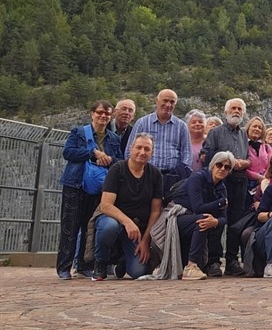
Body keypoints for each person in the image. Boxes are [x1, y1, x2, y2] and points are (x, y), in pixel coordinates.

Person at [57, 100, 123, 279]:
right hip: (75, 184)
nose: (103, 116)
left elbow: (120, 161)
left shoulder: (114, 139)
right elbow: (68, 153)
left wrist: (109, 159)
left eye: (107, 114)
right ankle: (64, 266)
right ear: (92, 113)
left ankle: (83, 264)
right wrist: (92, 153)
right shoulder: (78, 133)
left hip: (98, 188)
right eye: (100, 112)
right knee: (70, 226)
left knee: (89, 226)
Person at [92, 133, 163, 281]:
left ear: (152, 152)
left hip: (138, 230)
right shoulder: (117, 170)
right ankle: (101, 263)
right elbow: (106, 205)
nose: (142, 152)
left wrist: (145, 240)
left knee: (139, 272)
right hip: (114, 220)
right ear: (131, 148)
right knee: (108, 227)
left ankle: (123, 260)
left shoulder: (155, 174)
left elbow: (156, 210)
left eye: (147, 149)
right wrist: (127, 222)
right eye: (138, 147)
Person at [201, 98, 250, 277]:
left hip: (240, 182)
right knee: (218, 220)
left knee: (236, 224)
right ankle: (213, 261)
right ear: (226, 111)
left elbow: (247, 158)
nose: (236, 111)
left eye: (239, 109)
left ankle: (231, 260)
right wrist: (229, 160)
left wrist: (245, 163)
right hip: (221, 182)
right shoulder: (215, 132)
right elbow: (206, 155)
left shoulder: (244, 134)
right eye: (233, 108)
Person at [174, 151, 236, 280]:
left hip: (194, 219)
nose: (223, 169)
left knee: (207, 220)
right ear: (213, 165)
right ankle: (191, 267)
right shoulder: (198, 177)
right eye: (219, 165)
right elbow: (198, 207)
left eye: (227, 167)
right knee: (203, 219)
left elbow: (224, 218)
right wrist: (220, 203)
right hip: (177, 216)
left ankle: (200, 263)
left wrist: (216, 222)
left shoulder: (221, 188)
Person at [126, 89, 192, 194]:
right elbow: (130, 150)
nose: (168, 105)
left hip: (173, 177)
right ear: (156, 101)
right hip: (146, 175)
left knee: (169, 209)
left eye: (172, 102)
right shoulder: (142, 123)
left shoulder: (181, 126)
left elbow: (187, 153)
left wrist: (181, 171)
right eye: (165, 100)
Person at [244, 116, 272, 196]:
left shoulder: (267, 147)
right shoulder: (242, 146)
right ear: (248, 128)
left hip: (265, 183)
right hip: (247, 184)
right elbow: (242, 168)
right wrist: (258, 177)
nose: (257, 129)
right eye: (254, 126)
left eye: (260, 127)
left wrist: (265, 177)